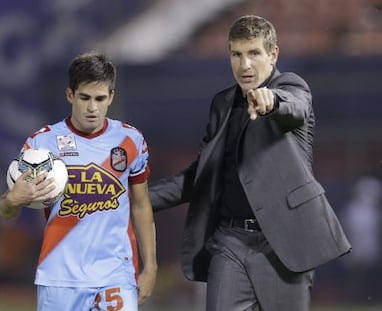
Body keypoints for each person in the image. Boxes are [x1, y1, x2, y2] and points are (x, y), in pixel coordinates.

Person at [149, 15, 351, 311]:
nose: (244, 65)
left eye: (254, 53)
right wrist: (137, 199)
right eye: (236, 54)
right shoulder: (222, 104)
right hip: (230, 242)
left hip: (283, 244)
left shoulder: (292, 87)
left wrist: (271, 102)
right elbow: (201, 176)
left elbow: (294, 108)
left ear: (273, 54)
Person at [0, 52, 157, 311]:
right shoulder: (41, 145)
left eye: (100, 99)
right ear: (70, 95)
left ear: (111, 97)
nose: (92, 108)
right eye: (84, 98)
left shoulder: (131, 141)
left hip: (115, 274)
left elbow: (141, 205)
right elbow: (7, 209)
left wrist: (150, 266)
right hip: (59, 277)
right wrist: (12, 200)